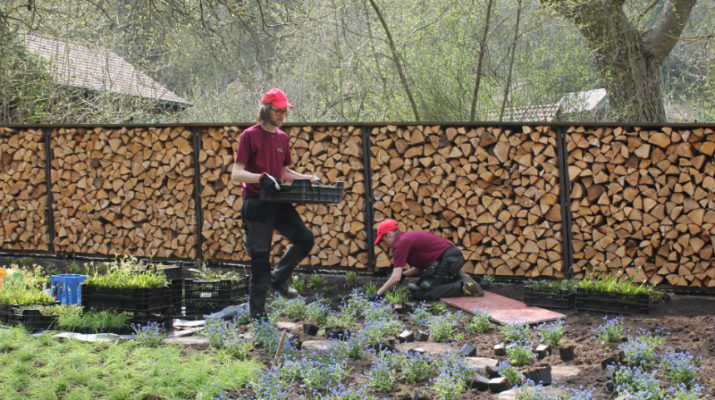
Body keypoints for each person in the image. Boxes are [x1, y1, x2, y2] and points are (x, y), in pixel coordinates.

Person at [231, 87, 321, 319]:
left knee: (305, 239)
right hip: (256, 202)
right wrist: (260, 178)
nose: (282, 116)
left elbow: (284, 172)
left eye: (285, 112)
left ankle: (278, 277)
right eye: (278, 111)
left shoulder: (283, 137)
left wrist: (308, 178)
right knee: (260, 259)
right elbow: (236, 173)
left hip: (278, 200)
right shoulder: (249, 135)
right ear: (266, 110)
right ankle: (258, 316)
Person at [369, 219, 484, 302]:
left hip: (447, 260)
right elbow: (418, 269)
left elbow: (395, 277)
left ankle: (462, 286)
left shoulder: (400, 244)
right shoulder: (405, 239)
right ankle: (465, 279)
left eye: (382, 241)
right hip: (447, 259)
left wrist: (377, 294)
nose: (384, 244)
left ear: (388, 235)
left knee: (424, 293)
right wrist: (405, 274)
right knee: (420, 284)